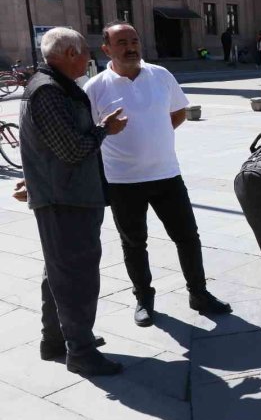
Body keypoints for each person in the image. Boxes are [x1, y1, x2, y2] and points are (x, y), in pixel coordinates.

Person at [84, 22, 231, 328]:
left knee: (188, 237)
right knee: (134, 244)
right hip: (123, 181)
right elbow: (88, 133)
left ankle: (199, 293)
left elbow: (178, 112)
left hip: (167, 175)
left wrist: (157, 137)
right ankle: (143, 298)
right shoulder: (95, 87)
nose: (131, 46)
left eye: (134, 40)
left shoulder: (160, 75)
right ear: (106, 48)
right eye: (122, 42)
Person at [18, 27, 128, 376]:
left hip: (66, 195)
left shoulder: (55, 87)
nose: (89, 58)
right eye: (85, 52)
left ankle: (56, 340)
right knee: (76, 276)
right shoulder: (48, 91)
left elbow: (50, 144)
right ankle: (79, 350)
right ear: (68, 54)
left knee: (60, 272)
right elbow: (71, 149)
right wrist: (104, 130)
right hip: (66, 199)